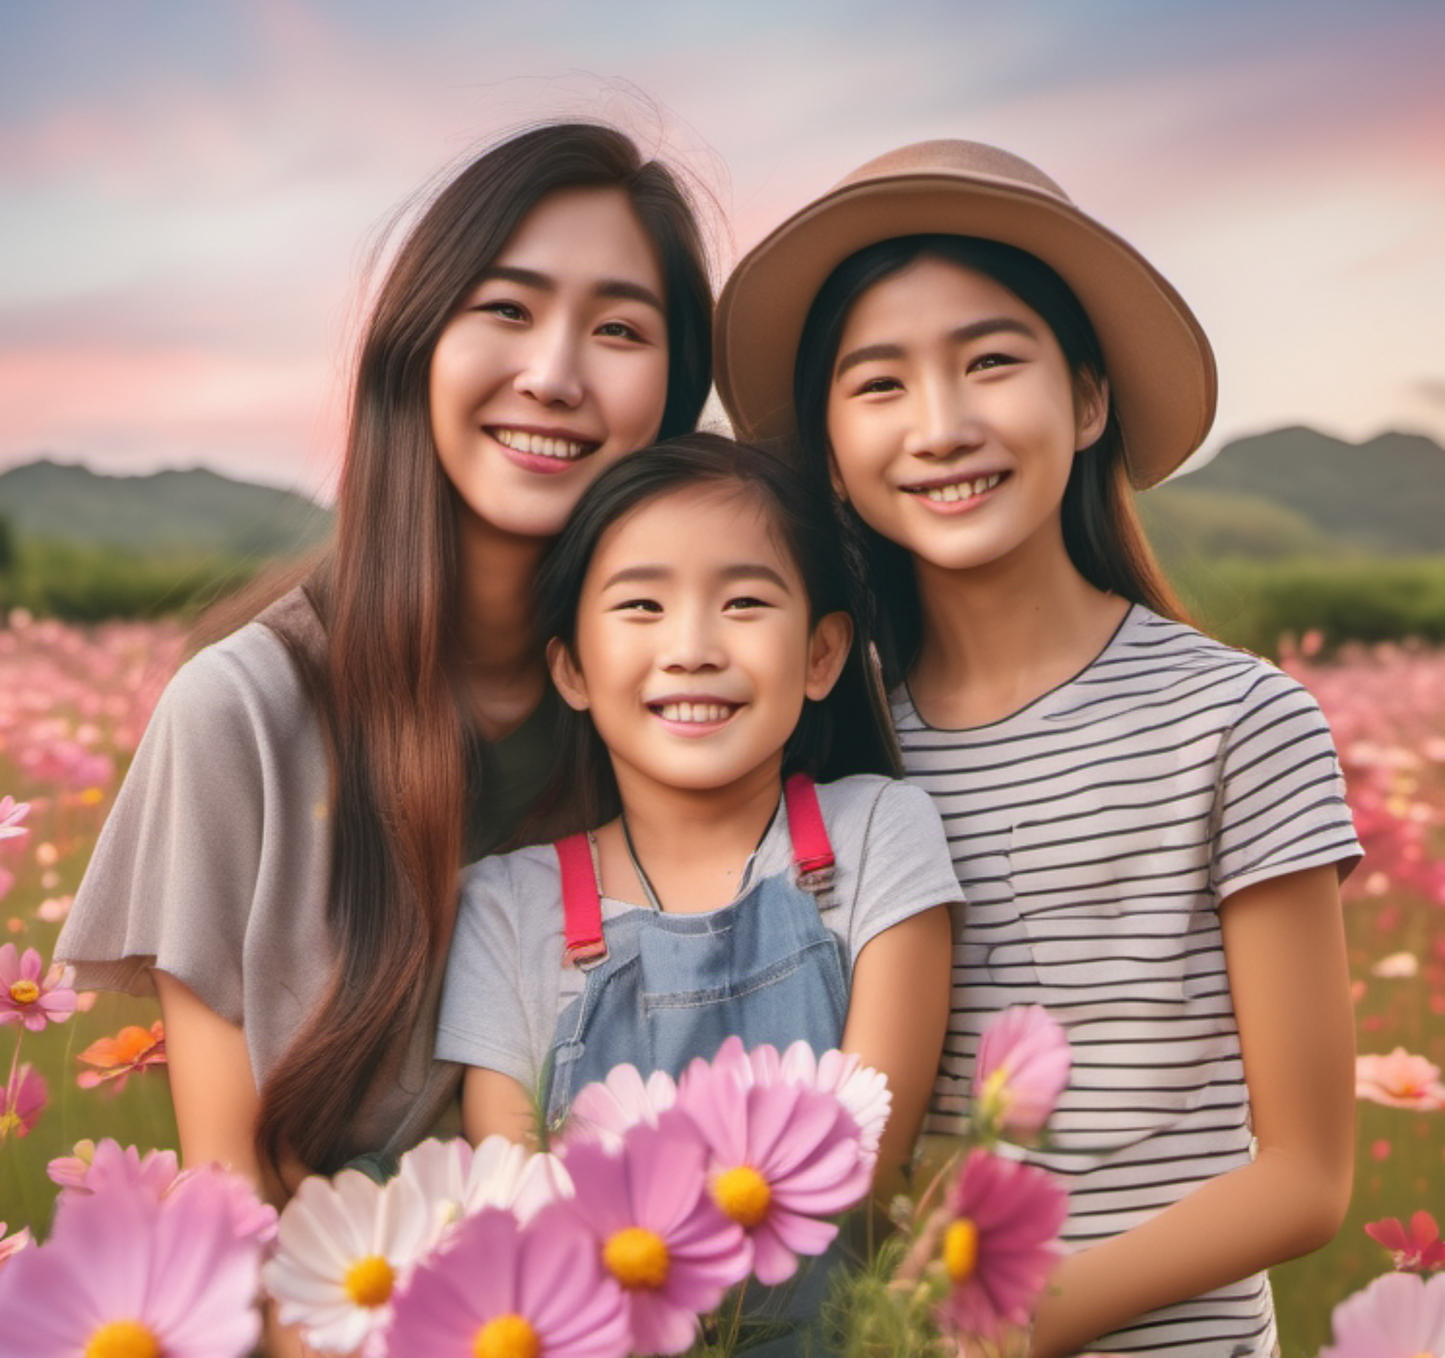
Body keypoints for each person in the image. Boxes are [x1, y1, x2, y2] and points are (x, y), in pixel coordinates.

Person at [714, 141, 1361, 1357]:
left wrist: (1014, 1322)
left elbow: (1306, 1176)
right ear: (834, 458)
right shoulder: (831, 756)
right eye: (878, 383)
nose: (941, 424)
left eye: (989, 360)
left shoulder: (1236, 723)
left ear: (1086, 398)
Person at [55, 121, 715, 1204]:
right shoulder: (238, 718)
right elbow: (236, 1215)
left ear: (673, 389)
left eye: (618, 328)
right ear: (415, 344)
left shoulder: (692, 703)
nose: (551, 375)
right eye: (506, 308)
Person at [436, 433, 959, 1200]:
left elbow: (863, 1170)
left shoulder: (880, 830)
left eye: (743, 602)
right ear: (572, 668)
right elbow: (518, 1209)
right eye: (641, 605)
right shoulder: (504, 909)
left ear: (821, 654)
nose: (690, 648)